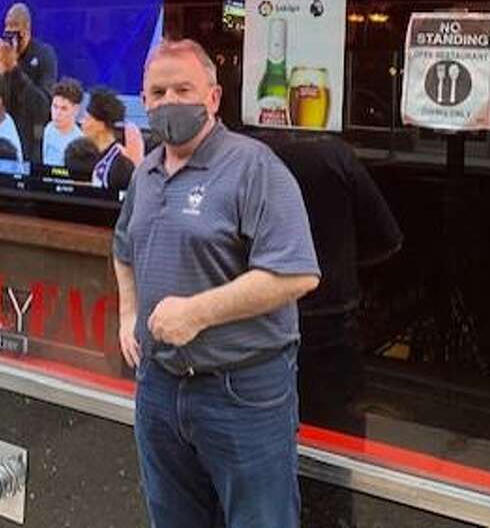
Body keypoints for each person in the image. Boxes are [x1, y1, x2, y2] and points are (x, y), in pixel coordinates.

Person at [113, 39, 321, 528]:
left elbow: (296, 274)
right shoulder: (146, 172)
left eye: (183, 88)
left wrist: (197, 313)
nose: (169, 101)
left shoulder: (254, 167)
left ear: (213, 97)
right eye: (157, 92)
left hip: (241, 391)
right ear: (144, 101)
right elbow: (122, 247)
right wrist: (129, 315)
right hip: (159, 389)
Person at [272, 135, 402, 435]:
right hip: (329, 318)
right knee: (335, 435)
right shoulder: (334, 156)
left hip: (258, 316)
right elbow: (387, 239)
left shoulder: (238, 154)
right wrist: (341, 263)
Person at [0, 2, 56, 159]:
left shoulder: (45, 54)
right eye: (7, 26)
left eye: (15, 25)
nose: (10, 31)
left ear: (27, 28)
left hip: (31, 138)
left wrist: (14, 69)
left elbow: (42, 109)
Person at [82, 87, 135, 191]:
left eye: (87, 119)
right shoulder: (88, 155)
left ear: (100, 125)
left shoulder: (120, 166)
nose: (83, 124)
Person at [42, 78, 84, 167]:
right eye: (55, 106)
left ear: (76, 110)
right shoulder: (49, 128)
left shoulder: (79, 143)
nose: (57, 113)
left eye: (64, 108)